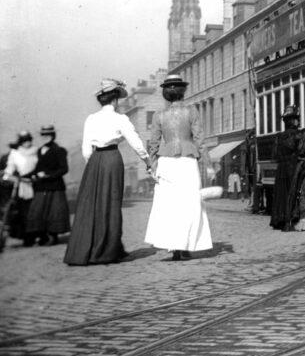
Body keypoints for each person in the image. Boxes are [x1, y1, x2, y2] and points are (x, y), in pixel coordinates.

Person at [64, 79, 152, 266]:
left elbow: (86, 149)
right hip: (112, 160)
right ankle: (109, 250)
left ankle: (87, 249)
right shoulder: (120, 119)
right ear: (115, 100)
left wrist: (93, 164)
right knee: (112, 203)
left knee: (92, 204)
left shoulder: (91, 118)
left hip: (95, 161)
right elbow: (135, 142)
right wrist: (146, 160)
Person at [144, 75, 212, 261]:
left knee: (169, 205)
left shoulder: (159, 115)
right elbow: (199, 139)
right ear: (183, 92)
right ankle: (186, 246)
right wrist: (208, 164)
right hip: (187, 161)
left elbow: (154, 144)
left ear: (166, 93)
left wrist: (153, 167)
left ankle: (174, 247)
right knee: (189, 204)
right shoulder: (191, 111)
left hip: (166, 162)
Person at [25, 125, 71, 246]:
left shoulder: (59, 150)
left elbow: (64, 169)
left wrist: (47, 175)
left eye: (48, 134)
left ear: (53, 136)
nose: (45, 137)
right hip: (41, 187)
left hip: (55, 186)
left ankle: (53, 237)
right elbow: (38, 168)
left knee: (54, 212)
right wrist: (28, 175)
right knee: (37, 211)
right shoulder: (40, 151)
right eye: (43, 135)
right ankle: (43, 236)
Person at [2, 132, 38, 246]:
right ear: (20, 142)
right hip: (22, 185)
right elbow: (10, 167)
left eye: (28, 140)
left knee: (36, 210)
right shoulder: (16, 153)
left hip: (36, 183)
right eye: (24, 141)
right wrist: (7, 175)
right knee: (24, 212)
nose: (27, 143)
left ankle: (38, 234)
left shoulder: (35, 151)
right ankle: (27, 236)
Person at [270, 105, 302, 231]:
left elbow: (275, 156)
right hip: (293, 167)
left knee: (281, 194)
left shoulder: (278, 136)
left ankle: (281, 220)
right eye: (296, 119)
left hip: (281, 169)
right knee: (293, 193)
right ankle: (292, 219)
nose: (298, 121)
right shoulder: (298, 135)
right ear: (293, 121)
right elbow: (301, 151)